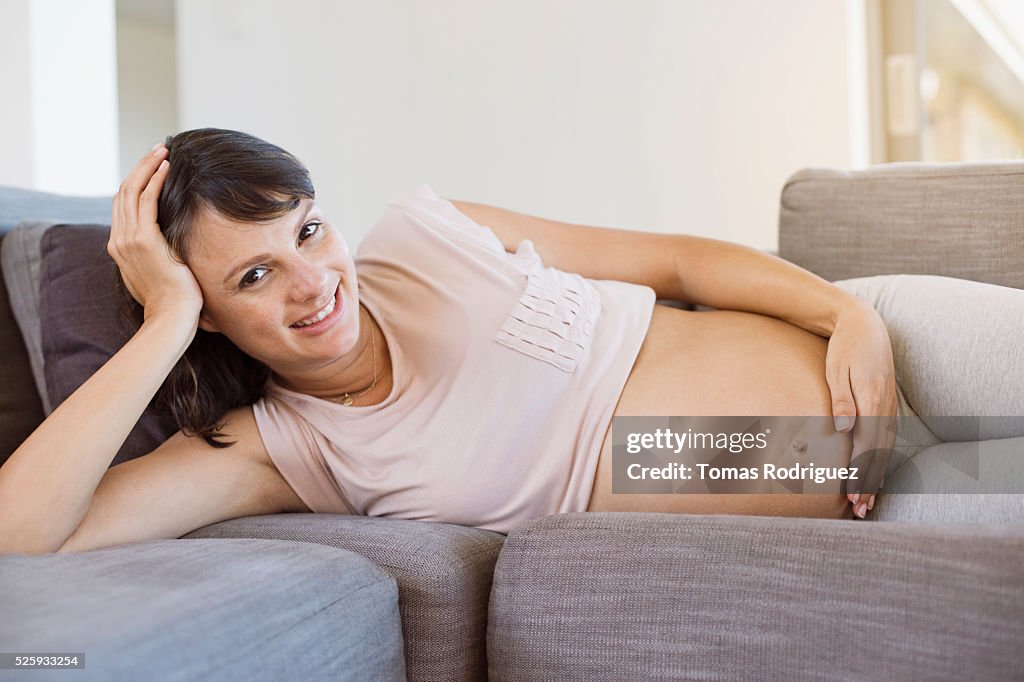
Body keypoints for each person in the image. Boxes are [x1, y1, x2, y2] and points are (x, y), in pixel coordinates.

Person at [0, 128, 1016, 555]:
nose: (314, 283)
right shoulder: (282, 451)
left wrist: (852, 315)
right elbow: (23, 533)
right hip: (875, 493)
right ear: (207, 312)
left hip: (887, 334)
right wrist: (165, 318)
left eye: (306, 232)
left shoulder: (431, 234)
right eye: (254, 276)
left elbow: (673, 265)